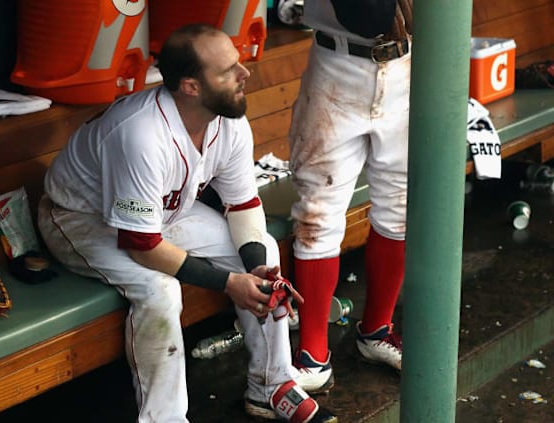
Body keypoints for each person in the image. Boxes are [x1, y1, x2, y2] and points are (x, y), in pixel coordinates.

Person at [38, 23, 336, 423]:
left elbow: (242, 205)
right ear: (191, 87)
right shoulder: (142, 134)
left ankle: (271, 384)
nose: (244, 72)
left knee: (261, 248)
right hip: (79, 218)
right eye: (228, 69)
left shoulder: (226, 119)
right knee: (159, 289)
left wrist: (253, 269)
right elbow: (140, 244)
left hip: (160, 212)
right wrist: (231, 284)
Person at [288, 0, 411, 394]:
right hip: (337, 65)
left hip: (406, 66)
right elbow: (368, 15)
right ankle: (312, 354)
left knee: (400, 207)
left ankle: (376, 330)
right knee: (317, 215)